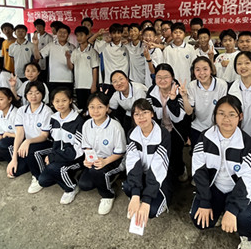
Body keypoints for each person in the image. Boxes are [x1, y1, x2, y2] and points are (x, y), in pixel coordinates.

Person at [191, 95, 251, 249]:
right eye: (221, 113)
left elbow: (248, 179)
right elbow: (198, 171)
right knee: (199, 221)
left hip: (238, 190)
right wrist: (205, 201)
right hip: (215, 187)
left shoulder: (247, 144)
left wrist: (233, 209)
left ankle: (247, 239)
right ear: (215, 115)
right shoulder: (205, 137)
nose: (226, 119)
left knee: (244, 217)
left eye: (231, 114)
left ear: (240, 116)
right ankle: (220, 210)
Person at [123, 99, 171, 228]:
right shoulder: (132, 134)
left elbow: (158, 166)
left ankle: (154, 198)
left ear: (152, 114)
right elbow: (133, 163)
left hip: (159, 176)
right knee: (127, 187)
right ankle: (138, 196)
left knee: (151, 210)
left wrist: (146, 200)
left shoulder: (163, 135)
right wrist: (135, 194)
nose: (141, 117)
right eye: (137, 114)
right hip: (141, 174)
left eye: (145, 112)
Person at [79, 92, 127, 215]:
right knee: (84, 185)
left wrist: (105, 161)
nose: (95, 111)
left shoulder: (115, 126)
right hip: (96, 159)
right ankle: (105, 180)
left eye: (100, 107)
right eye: (92, 107)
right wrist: (87, 159)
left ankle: (108, 195)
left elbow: (121, 152)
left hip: (114, 159)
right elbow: (87, 147)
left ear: (107, 108)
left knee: (97, 172)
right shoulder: (87, 124)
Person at [37, 88, 86, 204]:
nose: (60, 104)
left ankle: (71, 187)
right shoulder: (53, 118)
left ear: (70, 100)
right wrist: (54, 156)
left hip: (76, 159)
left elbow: (78, 150)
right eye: (57, 101)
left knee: (54, 168)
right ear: (52, 103)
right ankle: (65, 174)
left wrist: (53, 157)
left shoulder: (78, 121)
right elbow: (52, 140)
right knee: (43, 181)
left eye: (64, 100)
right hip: (59, 156)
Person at [6, 81, 53, 192]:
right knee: (13, 170)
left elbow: (44, 136)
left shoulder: (47, 111)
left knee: (31, 150)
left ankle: (37, 176)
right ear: (26, 95)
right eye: (30, 93)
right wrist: (14, 159)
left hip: (44, 143)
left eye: (37, 93)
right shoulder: (22, 110)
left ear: (43, 94)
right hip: (29, 143)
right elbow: (19, 134)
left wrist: (28, 141)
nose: (33, 96)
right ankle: (28, 163)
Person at [146, 63, 190, 182]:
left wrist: (172, 101)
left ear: (172, 77)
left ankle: (181, 170)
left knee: (176, 155)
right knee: (161, 154)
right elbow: (150, 114)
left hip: (177, 129)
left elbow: (179, 118)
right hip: (160, 128)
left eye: (166, 77)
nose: (162, 80)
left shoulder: (179, 91)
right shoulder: (151, 92)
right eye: (159, 77)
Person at [179, 56, 228, 146]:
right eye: (197, 70)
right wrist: (184, 97)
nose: (202, 73)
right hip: (197, 127)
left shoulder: (221, 85)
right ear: (193, 72)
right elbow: (189, 112)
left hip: (217, 128)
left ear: (211, 70)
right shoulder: (192, 85)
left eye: (205, 69)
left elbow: (223, 110)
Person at [33, 23, 75, 94]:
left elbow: (72, 67)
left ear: (68, 35)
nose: (62, 34)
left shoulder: (72, 47)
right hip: (53, 80)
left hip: (68, 80)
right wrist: (35, 45)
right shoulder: (51, 45)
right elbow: (38, 57)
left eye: (65, 32)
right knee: (53, 99)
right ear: (57, 33)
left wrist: (68, 58)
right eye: (60, 32)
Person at [66, 25, 99, 112]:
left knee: (90, 107)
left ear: (87, 36)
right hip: (78, 85)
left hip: (89, 85)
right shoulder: (75, 52)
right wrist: (68, 58)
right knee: (81, 108)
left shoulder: (92, 51)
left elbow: (95, 69)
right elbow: (71, 67)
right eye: (77, 35)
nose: (79, 38)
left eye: (81, 35)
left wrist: (94, 85)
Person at [0, 88, 20, 170]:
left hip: (20, 141)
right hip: (8, 139)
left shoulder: (15, 114)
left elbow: (22, 136)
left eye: (1, 99)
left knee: (2, 144)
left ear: (9, 99)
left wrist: (8, 134)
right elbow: (0, 133)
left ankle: (18, 163)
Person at [163, 22, 198, 86]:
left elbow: (194, 65)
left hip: (187, 82)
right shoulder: (167, 50)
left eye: (180, 32)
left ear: (184, 34)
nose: (178, 34)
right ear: (171, 34)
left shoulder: (190, 48)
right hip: (171, 83)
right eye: (175, 32)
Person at [33, 18, 52, 83]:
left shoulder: (49, 37)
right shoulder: (35, 36)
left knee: (44, 78)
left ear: (44, 27)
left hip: (45, 60)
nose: (39, 28)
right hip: (36, 59)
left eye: (40, 26)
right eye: (37, 27)